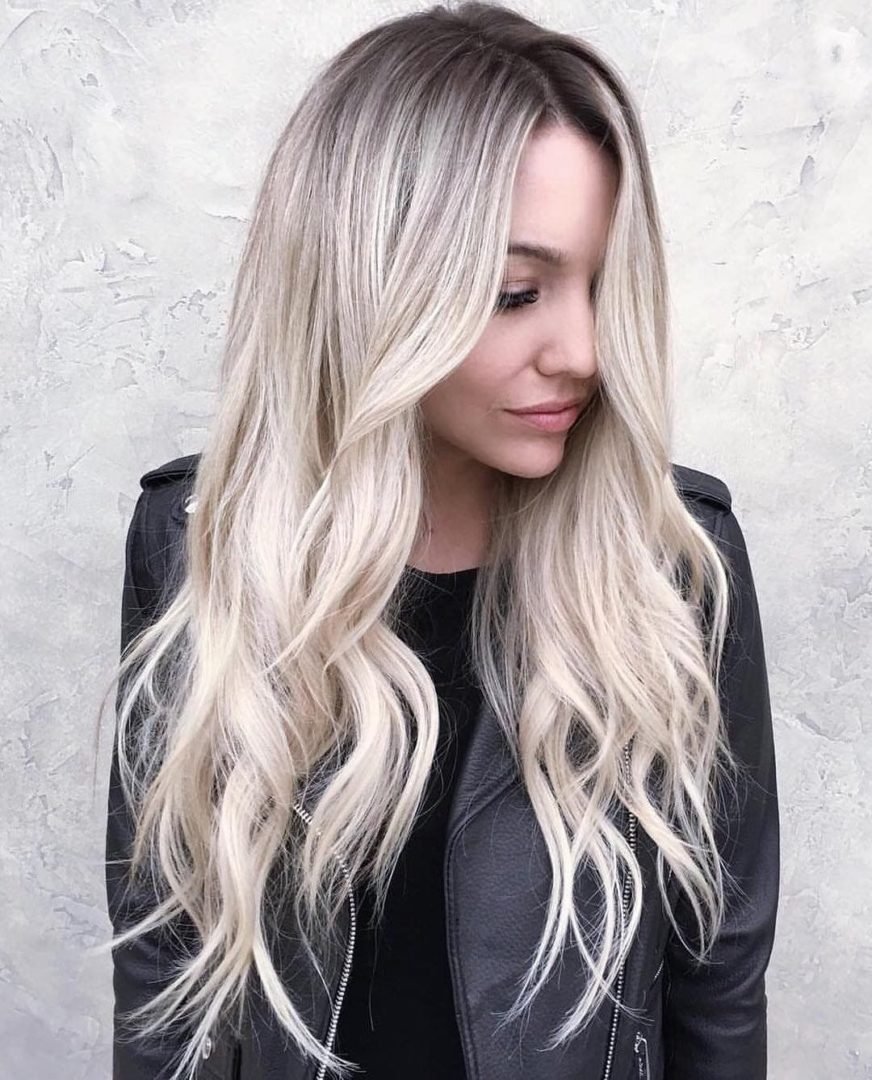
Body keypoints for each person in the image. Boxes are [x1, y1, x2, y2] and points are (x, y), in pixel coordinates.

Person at [101, 3, 780, 1079]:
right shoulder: (202, 545)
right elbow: (165, 966)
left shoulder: (673, 568)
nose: (583, 351)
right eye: (516, 292)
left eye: (601, 285)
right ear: (369, 285)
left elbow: (719, 975)